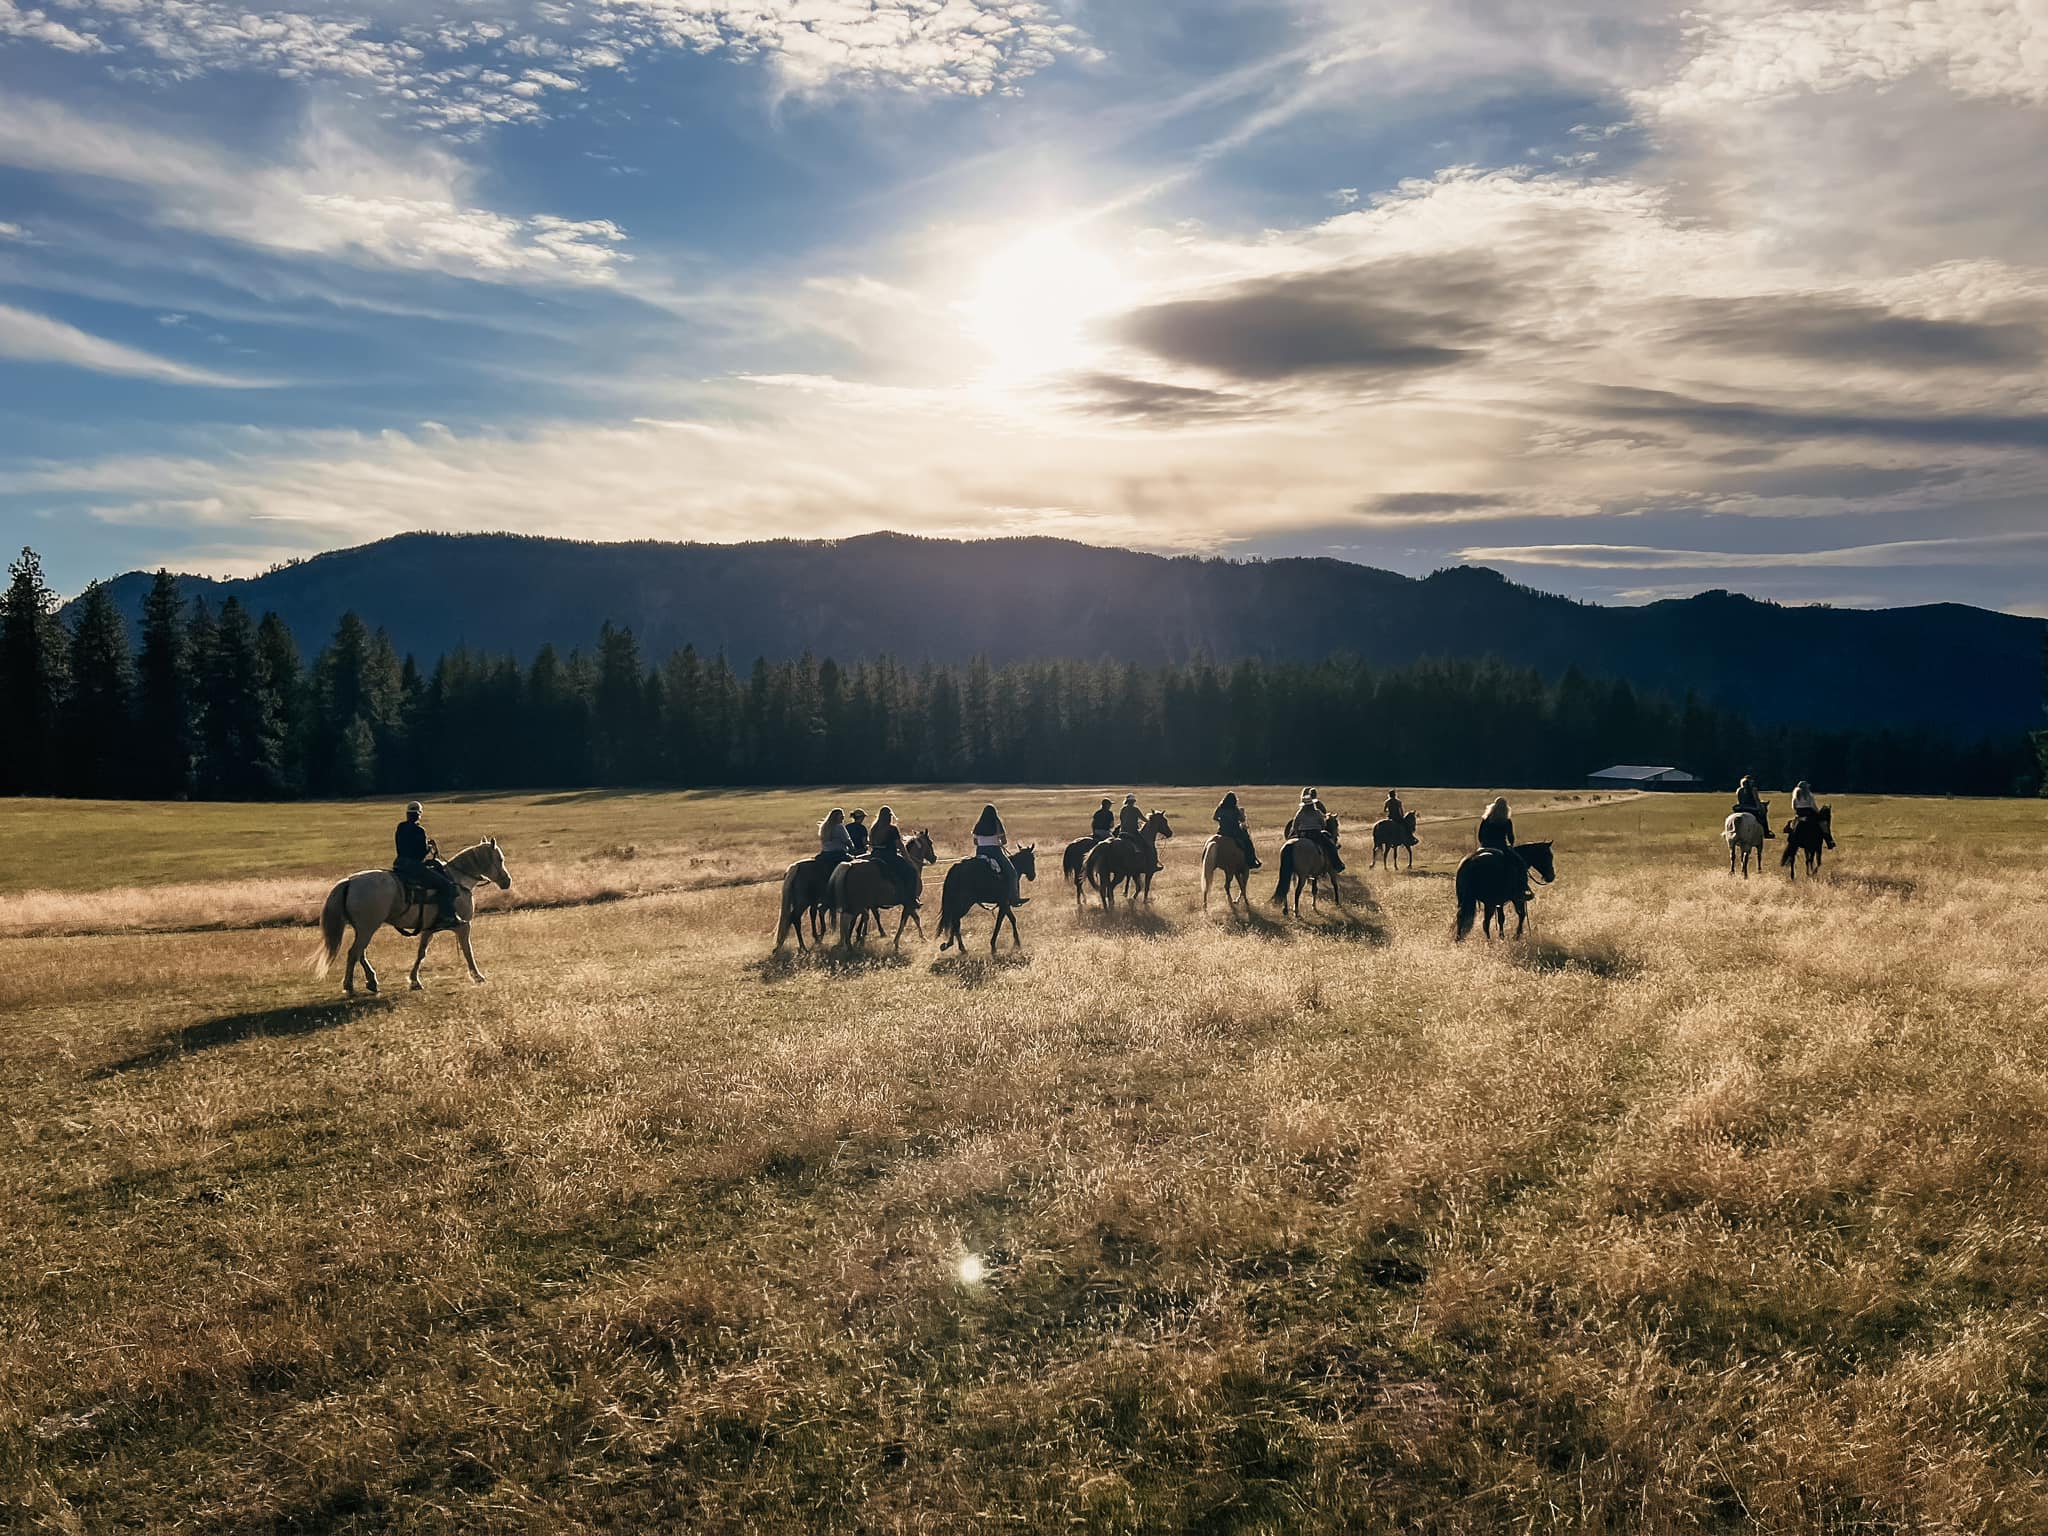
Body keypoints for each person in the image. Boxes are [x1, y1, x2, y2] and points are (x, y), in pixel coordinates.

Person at [393, 800, 460, 928]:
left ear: (407, 814)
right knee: (445, 885)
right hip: (414, 867)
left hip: (399, 864)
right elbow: (421, 854)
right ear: (419, 815)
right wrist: (429, 847)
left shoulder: (400, 827)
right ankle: (447, 917)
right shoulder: (420, 830)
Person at [972, 803, 1026, 904]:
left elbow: (975, 842)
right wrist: (998, 842)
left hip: (980, 852)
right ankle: (1014, 898)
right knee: (1012, 873)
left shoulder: (978, 824)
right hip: (994, 851)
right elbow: (1004, 841)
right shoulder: (997, 823)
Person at [869, 805, 916, 905]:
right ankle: (911, 899)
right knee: (911, 872)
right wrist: (908, 860)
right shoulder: (892, 829)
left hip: (875, 855)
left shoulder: (874, 828)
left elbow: (871, 844)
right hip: (889, 856)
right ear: (889, 816)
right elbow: (900, 846)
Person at [1291, 788, 1344, 872]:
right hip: (1316, 834)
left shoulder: (1300, 813)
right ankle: (1337, 865)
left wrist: (1298, 834)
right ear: (1312, 804)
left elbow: (1295, 825)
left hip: (1303, 835)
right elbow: (1323, 825)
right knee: (1330, 846)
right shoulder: (1317, 812)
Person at [1215, 791, 1260, 869]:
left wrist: (1222, 821)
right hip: (1234, 832)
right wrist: (1243, 814)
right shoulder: (1235, 809)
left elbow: (1214, 817)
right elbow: (1242, 820)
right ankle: (1252, 860)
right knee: (1248, 841)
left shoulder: (1220, 807)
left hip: (1222, 831)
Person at [817, 808, 853, 875]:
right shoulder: (839, 827)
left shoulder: (824, 827)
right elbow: (847, 841)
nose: (843, 819)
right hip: (839, 854)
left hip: (825, 853)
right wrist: (852, 848)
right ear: (836, 817)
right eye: (841, 817)